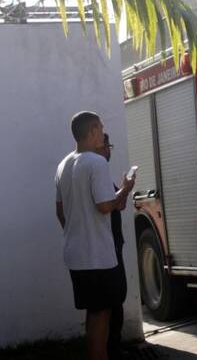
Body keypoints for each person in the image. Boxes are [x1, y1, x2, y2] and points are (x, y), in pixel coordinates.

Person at [55, 112, 135, 360]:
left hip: (76, 254)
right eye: (100, 128)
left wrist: (78, 231)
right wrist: (125, 189)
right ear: (91, 131)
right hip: (98, 256)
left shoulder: (64, 164)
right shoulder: (96, 162)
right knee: (101, 317)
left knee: (94, 313)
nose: (103, 132)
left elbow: (60, 211)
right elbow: (104, 206)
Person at [102, 134, 128, 360]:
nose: (110, 151)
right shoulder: (96, 172)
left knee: (116, 299)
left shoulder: (100, 174)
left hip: (112, 246)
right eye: (108, 146)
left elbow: (119, 204)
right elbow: (109, 205)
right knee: (113, 300)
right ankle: (112, 349)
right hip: (108, 249)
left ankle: (113, 347)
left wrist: (124, 189)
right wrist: (126, 188)